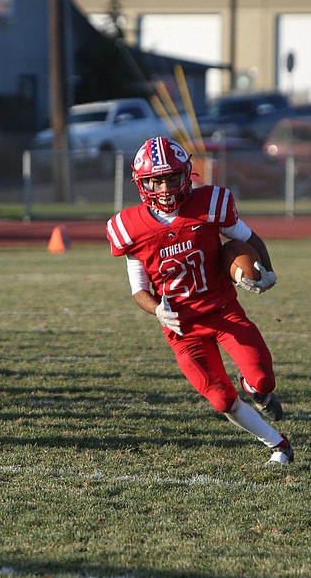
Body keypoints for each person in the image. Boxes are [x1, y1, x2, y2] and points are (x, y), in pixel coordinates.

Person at [106, 136, 292, 465]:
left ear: (186, 175)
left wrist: (269, 270)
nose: (164, 188)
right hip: (182, 328)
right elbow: (138, 290)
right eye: (156, 180)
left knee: (263, 378)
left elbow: (249, 239)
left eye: (172, 178)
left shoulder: (210, 205)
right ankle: (278, 445)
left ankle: (257, 390)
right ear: (142, 183)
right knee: (221, 400)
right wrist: (157, 310)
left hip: (223, 312)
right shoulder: (128, 227)